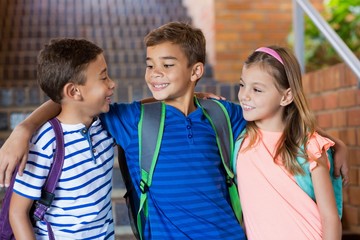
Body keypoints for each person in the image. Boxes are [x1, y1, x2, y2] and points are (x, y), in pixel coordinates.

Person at [0, 22, 348, 239]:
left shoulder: (223, 114)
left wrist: (335, 143)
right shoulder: (131, 119)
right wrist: (24, 130)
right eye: (150, 65)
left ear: (196, 70)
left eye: (167, 65)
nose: (155, 74)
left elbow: (284, 120)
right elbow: (70, 100)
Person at [8, 38, 116, 239]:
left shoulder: (104, 126)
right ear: (74, 91)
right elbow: (17, 212)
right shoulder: (46, 142)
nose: (112, 83)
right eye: (103, 78)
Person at [235, 46, 342, 239]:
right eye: (242, 85)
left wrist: (339, 145)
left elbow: (330, 216)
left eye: (257, 89)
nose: (245, 96)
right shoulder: (239, 135)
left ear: (286, 96)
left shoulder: (310, 145)